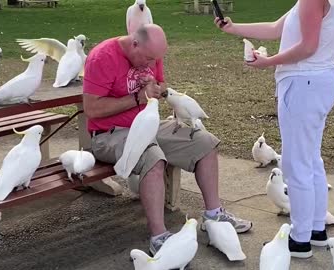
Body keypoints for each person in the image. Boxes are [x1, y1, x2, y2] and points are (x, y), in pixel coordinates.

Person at [82, 24, 252, 255]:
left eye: (156, 59)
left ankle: (214, 215)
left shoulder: (151, 56)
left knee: (205, 142)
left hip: (148, 125)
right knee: (153, 158)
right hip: (109, 134)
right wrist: (137, 97)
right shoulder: (102, 56)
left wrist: (155, 88)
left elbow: (162, 86)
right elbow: (91, 109)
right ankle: (160, 237)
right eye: (149, 58)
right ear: (134, 44)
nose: (152, 64)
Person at [214, 0, 334, 259]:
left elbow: (308, 47)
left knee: (296, 164)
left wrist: (269, 61)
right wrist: (234, 28)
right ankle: (315, 230)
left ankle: (300, 240)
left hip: (303, 84)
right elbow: (277, 28)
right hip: (318, 81)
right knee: (310, 159)